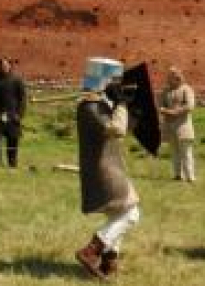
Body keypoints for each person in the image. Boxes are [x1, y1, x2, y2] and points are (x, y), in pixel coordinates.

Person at [75, 58, 140, 279]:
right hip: (104, 170)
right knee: (131, 213)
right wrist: (121, 104)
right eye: (114, 79)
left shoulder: (99, 105)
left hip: (112, 166)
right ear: (103, 80)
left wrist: (127, 106)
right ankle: (91, 250)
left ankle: (109, 263)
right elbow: (116, 129)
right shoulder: (89, 108)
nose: (118, 83)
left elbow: (123, 127)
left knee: (119, 212)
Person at [0, 58, 27, 168]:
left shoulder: (17, 80)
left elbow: (22, 98)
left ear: (9, 66)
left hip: (12, 114)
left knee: (13, 139)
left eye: (6, 65)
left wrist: (19, 114)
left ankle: (12, 163)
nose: (4, 67)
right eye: (2, 65)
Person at [159, 67, 196, 182]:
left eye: (173, 75)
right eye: (169, 75)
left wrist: (175, 111)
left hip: (183, 126)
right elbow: (160, 106)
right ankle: (178, 175)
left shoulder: (186, 89)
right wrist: (165, 110)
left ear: (178, 76)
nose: (170, 78)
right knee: (174, 152)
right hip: (170, 125)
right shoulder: (165, 91)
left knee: (186, 152)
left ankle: (190, 176)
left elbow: (190, 105)